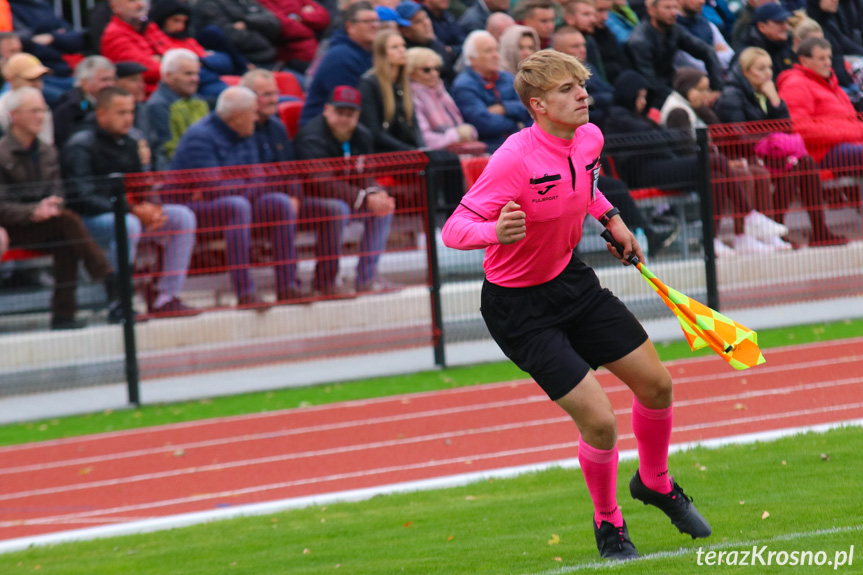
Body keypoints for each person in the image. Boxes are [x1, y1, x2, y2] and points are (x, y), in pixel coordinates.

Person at [440, 50, 711, 561]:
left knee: (657, 385)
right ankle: (609, 521)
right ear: (538, 105)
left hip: (572, 282)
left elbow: (584, 185)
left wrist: (611, 219)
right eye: (567, 89)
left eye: (581, 84)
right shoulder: (513, 158)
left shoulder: (589, 137)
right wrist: (492, 232)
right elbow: (454, 228)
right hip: (518, 308)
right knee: (601, 422)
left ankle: (654, 482)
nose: (582, 94)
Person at [604, 69, 789, 255]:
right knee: (715, 160)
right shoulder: (618, 116)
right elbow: (661, 138)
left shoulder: (639, 117)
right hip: (644, 172)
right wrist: (664, 136)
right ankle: (749, 216)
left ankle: (712, 240)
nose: (643, 101)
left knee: (715, 176)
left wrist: (698, 109)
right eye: (640, 96)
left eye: (645, 97)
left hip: (659, 166)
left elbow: (665, 137)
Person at [62, 86, 199, 317]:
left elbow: (140, 189)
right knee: (129, 225)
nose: (128, 119)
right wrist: (134, 210)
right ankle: (120, 302)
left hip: (127, 213)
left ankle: (166, 297)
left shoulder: (132, 141)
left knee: (181, 217)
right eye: (121, 113)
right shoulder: (81, 144)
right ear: (101, 114)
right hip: (91, 221)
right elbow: (83, 199)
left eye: (131, 112)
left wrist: (151, 206)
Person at [169, 85, 306, 306]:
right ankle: (245, 292)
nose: (256, 117)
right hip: (191, 210)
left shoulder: (246, 132)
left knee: (279, 202)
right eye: (253, 113)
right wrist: (254, 183)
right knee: (237, 205)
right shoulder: (200, 137)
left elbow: (257, 175)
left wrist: (251, 183)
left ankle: (288, 285)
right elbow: (216, 189)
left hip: (237, 201)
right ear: (238, 116)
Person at [0, 86, 114, 330]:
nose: (40, 116)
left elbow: (58, 191)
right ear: (14, 116)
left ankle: (64, 315)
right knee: (68, 223)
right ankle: (106, 276)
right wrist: (32, 211)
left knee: (67, 234)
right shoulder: (1, 153)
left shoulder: (47, 150)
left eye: (42, 110)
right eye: (33, 111)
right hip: (12, 227)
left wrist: (52, 205)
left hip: (46, 222)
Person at [716, 46, 848, 246]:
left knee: (805, 162)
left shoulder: (766, 93)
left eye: (769, 67)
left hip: (769, 153)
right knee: (791, 165)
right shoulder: (732, 95)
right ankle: (775, 230)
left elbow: (785, 129)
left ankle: (819, 230)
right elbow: (737, 136)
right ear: (745, 71)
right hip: (745, 155)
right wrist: (772, 142)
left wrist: (776, 102)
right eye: (760, 69)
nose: (768, 73)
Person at [241, 68, 352, 298]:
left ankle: (326, 281)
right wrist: (286, 196)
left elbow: (291, 170)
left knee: (335, 209)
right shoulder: (241, 126)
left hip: (285, 199)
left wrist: (295, 196)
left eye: (275, 93)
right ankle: (288, 286)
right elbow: (251, 175)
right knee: (281, 204)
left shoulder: (277, 126)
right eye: (267, 94)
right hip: (251, 202)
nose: (275, 99)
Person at [293, 85, 397, 295]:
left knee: (384, 207)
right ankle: (326, 281)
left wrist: (375, 193)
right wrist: (364, 198)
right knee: (337, 209)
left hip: (346, 198)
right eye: (339, 112)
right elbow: (320, 182)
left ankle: (366, 279)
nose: (344, 118)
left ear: (358, 115)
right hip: (307, 201)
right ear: (327, 110)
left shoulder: (362, 135)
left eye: (350, 114)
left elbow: (366, 173)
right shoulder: (311, 136)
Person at [777, 37, 863, 174]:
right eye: (821, 58)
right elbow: (799, 129)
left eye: (829, 57)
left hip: (848, 145)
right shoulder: (795, 85)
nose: (828, 62)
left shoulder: (832, 85)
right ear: (804, 60)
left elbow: (852, 120)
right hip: (821, 153)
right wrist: (851, 133)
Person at [625, 0, 724, 108]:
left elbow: (707, 51)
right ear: (651, 10)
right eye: (667, 8)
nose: (673, 13)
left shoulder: (673, 29)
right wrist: (683, 98)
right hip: (652, 98)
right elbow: (650, 82)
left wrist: (717, 89)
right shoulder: (640, 41)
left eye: (675, 8)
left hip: (671, 85)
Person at [451, 30, 532, 151]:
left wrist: (504, 108)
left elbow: (530, 108)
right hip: (491, 150)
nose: (496, 55)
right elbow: (484, 123)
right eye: (489, 51)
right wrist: (516, 123)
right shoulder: (464, 85)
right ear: (472, 59)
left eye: (496, 50)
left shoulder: (507, 77)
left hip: (522, 145)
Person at [301, 1, 378, 126]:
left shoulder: (371, 53)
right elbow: (348, 105)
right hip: (323, 132)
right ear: (350, 27)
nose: (375, 25)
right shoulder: (340, 57)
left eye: (376, 21)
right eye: (368, 22)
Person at [144, 48, 209, 171]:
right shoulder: (158, 105)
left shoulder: (200, 101)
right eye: (188, 74)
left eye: (196, 74)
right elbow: (166, 151)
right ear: (169, 76)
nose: (195, 79)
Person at [407, 46, 479, 151]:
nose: (434, 74)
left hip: (459, 153)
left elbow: (461, 125)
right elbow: (425, 140)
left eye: (437, 68)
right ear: (411, 72)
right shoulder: (411, 98)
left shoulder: (441, 90)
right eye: (426, 70)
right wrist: (457, 135)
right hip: (438, 160)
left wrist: (469, 131)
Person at [8, 0, 81, 103]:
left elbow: (76, 40)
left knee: (87, 89)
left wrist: (53, 37)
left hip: (62, 70)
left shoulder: (43, 5)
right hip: (38, 71)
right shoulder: (10, 7)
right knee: (67, 99)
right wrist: (59, 39)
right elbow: (26, 41)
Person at [190, 0, 282, 67]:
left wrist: (247, 23)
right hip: (244, 62)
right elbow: (229, 36)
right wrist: (262, 37)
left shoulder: (247, 2)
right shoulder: (207, 5)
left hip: (269, 58)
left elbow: (274, 23)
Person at [52, 56, 117, 149]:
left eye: (112, 79)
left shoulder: (113, 102)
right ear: (85, 82)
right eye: (104, 80)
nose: (110, 84)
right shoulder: (69, 108)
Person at [256, 0, 331, 73]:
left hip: (316, 51)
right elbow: (284, 28)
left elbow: (324, 17)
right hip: (292, 57)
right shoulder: (263, 1)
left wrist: (301, 17)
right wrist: (310, 28)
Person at [0, 53, 53, 143]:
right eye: (31, 79)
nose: (38, 84)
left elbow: (46, 145)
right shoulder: (2, 110)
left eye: (39, 79)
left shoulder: (44, 106)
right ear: (12, 79)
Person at [733, 3, 796, 78]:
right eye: (779, 22)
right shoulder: (748, 54)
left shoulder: (785, 44)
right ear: (762, 27)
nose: (786, 27)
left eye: (785, 22)